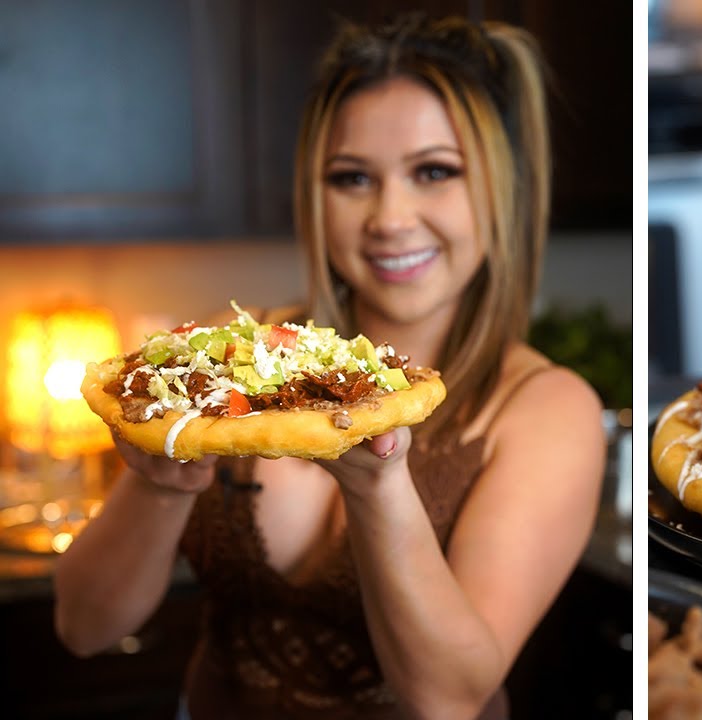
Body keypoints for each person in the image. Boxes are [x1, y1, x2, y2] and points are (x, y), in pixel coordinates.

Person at [52, 14, 606, 720]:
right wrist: (159, 487)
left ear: (504, 192)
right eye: (351, 178)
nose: (390, 217)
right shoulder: (230, 360)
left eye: (434, 171)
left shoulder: (546, 410)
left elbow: (449, 701)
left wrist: (378, 489)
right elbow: (85, 628)